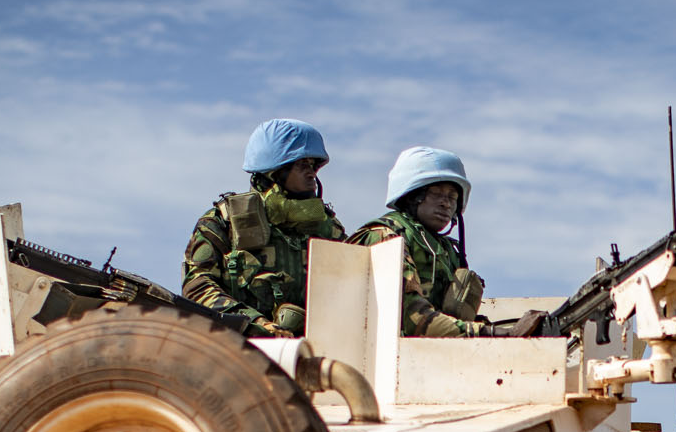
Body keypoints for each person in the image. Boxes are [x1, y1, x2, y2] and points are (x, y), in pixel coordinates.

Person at [348, 147, 544, 338]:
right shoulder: (385, 237)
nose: (446, 203)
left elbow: (452, 319)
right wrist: (492, 333)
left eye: (453, 197)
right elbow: (412, 318)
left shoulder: (445, 249)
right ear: (413, 196)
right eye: (436, 193)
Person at [182, 119, 346, 337]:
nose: (312, 174)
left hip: (311, 348)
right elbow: (197, 286)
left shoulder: (328, 229)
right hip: (240, 346)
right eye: (302, 165)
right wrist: (255, 324)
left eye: (314, 166)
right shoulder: (224, 222)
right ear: (274, 172)